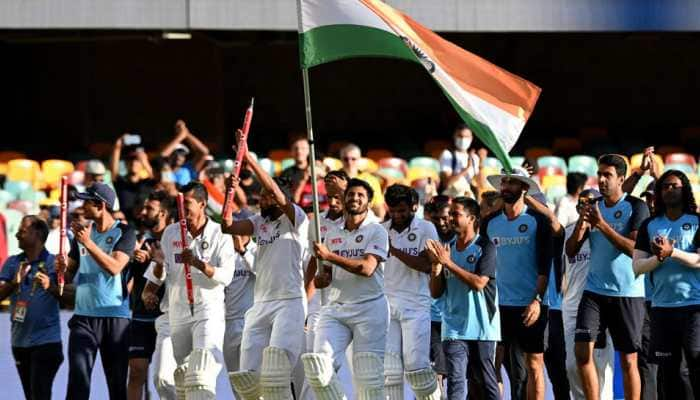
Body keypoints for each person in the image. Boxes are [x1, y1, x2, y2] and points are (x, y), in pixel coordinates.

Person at [223, 146, 309, 400]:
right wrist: (229, 194)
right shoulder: (259, 222)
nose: (262, 200)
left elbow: (273, 189)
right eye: (260, 196)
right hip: (260, 304)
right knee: (248, 377)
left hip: (289, 301)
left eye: (266, 196)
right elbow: (227, 226)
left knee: (276, 372)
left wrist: (249, 158)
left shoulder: (296, 218)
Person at [566, 154, 650, 400]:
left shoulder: (636, 206)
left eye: (608, 175)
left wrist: (601, 225)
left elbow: (635, 249)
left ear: (621, 179)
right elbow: (571, 251)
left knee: (628, 359)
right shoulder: (593, 207)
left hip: (628, 293)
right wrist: (583, 223)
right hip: (594, 292)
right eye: (599, 174)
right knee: (582, 353)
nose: (601, 180)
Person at [144, 181, 236, 400]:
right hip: (177, 313)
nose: (183, 209)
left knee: (200, 378)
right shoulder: (170, 233)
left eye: (188, 204)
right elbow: (163, 272)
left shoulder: (220, 234)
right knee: (170, 380)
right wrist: (156, 270)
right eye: (181, 204)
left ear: (203, 204)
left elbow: (226, 276)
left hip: (207, 312)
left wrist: (198, 264)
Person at [301, 178, 389, 400]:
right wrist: (322, 279)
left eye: (361, 195)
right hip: (336, 309)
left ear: (369, 202)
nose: (355, 198)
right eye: (351, 194)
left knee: (368, 378)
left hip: (369, 309)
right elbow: (327, 274)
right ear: (343, 198)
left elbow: (367, 268)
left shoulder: (376, 231)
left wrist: (330, 256)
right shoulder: (331, 234)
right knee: (319, 368)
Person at [55, 183, 137, 400]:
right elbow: (69, 275)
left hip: (115, 317)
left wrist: (89, 244)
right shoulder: (83, 234)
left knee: (117, 386)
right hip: (83, 318)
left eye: (86, 202)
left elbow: (115, 267)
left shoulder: (125, 232)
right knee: (78, 382)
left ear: (101, 205)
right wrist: (61, 268)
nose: (81, 207)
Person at [483, 167, 553, 400]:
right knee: (494, 363)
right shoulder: (490, 222)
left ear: (524, 188)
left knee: (534, 364)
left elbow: (545, 266)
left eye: (512, 183)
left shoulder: (537, 220)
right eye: (504, 183)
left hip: (529, 304)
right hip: (497, 305)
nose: (506, 187)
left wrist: (537, 300)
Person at [633, 170, 700, 399]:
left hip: (694, 306)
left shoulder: (697, 221)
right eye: (664, 187)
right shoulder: (649, 225)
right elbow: (637, 267)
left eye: (674, 186)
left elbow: (699, 260)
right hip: (661, 308)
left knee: (694, 360)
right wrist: (659, 257)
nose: (669, 190)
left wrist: (672, 252)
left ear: (685, 190)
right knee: (669, 371)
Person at [427, 197, 500, 400]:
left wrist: (447, 263)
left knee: (486, 383)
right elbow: (436, 292)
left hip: (482, 327)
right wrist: (436, 267)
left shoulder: (486, 247)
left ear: (472, 218)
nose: (450, 218)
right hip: (453, 327)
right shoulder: (447, 248)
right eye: (450, 214)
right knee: (456, 382)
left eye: (456, 214)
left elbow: (479, 283)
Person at [382, 184, 441, 400]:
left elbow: (428, 265)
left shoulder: (426, 228)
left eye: (402, 210)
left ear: (414, 207)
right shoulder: (381, 229)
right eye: (393, 210)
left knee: (417, 367)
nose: (397, 215)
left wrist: (395, 251)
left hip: (415, 305)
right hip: (387, 305)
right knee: (389, 371)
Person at [0, 216, 64, 400]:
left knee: (40, 393)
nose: (17, 235)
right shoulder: (13, 262)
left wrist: (50, 286)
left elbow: (71, 297)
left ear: (36, 233)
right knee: (32, 395)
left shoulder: (54, 263)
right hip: (19, 343)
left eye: (22, 231)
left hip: (46, 343)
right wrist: (13, 284)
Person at [561, 189, 615, 400]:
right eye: (582, 203)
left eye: (592, 202)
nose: (587, 206)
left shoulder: (606, 232)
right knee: (572, 365)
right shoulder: (567, 232)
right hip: (572, 307)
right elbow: (566, 260)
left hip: (599, 304)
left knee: (601, 365)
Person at [126, 191, 173, 400]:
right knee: (136, 373)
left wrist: (158, 261)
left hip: (169, 317)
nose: (143, 212)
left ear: (162, 213)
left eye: (149, 209)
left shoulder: (177, 242)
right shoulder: (140, 241)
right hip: (141, 317)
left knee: (167, 376)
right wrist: (133, 259)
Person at [223, 209, 257, 390]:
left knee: (251, 377)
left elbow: (260, 272)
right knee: (235, 379)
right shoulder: (225, 253)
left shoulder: (258, 250)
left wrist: (243, 251)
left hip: (250, 322)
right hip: (228, 323)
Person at [424, 195, 454, 393]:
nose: (442, 223)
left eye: (446, 218)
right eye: (436, 219)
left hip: (453, 318)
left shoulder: (459, 241)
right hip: (430, 316)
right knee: (434, 373)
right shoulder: (425, 242)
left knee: (454, 373)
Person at [111, 134, 156, 222]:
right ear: (126, 164)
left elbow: (156, 179)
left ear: (142, 164)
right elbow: (114, 171)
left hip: (144, 225)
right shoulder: (121, 183)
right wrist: (117, 146)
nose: (133, 163)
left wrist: (145, 161)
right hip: (125, 225)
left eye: (137, 160)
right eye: (130, 160)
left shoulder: (147, 183)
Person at [340, 143, 386, 219]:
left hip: (366, 221)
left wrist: (381, 223)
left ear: (359, 159)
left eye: (353, 159)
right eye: (346, 159)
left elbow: (378, 206)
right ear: (341, 160)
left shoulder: (371, 179)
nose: (349, 162)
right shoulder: (334, 178)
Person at [160, 120, 211, 187]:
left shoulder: (188, 169)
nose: (179, 157)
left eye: (182, 154)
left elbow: (204, 152)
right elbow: (162, 156)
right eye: (175, 153)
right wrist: (181, 136)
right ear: (170, 155)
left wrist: (187, 133)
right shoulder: (165, 169)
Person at [439, 124, 481, 192]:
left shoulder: (475, 158)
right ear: (454, 136)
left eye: (466, 136)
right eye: (460, 136)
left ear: (471, 138)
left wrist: (481, 163)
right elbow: (447, 184)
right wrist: (467, 168)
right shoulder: (447, 155)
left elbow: (478, 184)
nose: (463, 139)